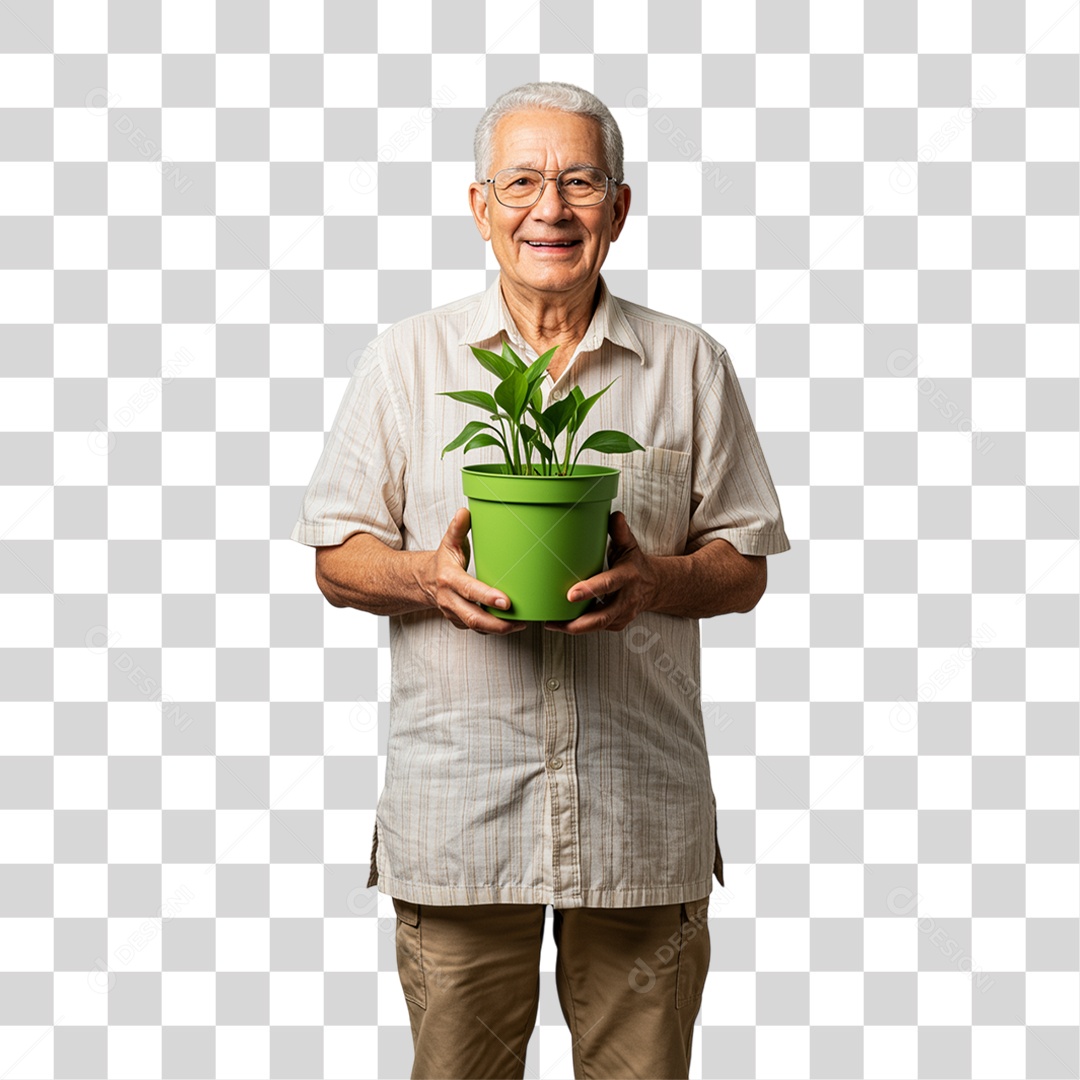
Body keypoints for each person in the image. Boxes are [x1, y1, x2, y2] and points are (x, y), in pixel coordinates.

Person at [292, 81, 790, 1080]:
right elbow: (337, 557)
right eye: (521, 182)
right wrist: (428, 580)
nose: (549, 210)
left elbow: (741, 568)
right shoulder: (407, 361)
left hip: (639, 814)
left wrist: (654, 581)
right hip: (461, 816)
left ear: (619, 207)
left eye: (578, 182)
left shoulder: (688, 365)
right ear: (481, 208)